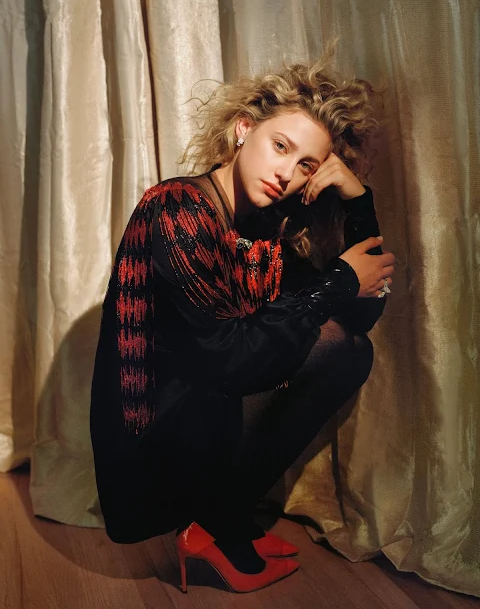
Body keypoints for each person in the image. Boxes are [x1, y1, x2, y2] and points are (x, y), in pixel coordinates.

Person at [90, 59, 396, 594]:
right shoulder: (177, 211)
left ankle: (222, 517)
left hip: (204, 414)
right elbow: (226, 357)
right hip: (151, 442)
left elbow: (360, 316)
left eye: (306, 164)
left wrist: (358, 201)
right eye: (280, 146)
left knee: (349, 351)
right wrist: (339, 281)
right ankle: (216, 523)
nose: (286, 172)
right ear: (243, 130)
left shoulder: (263, 227)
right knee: (321, 339)